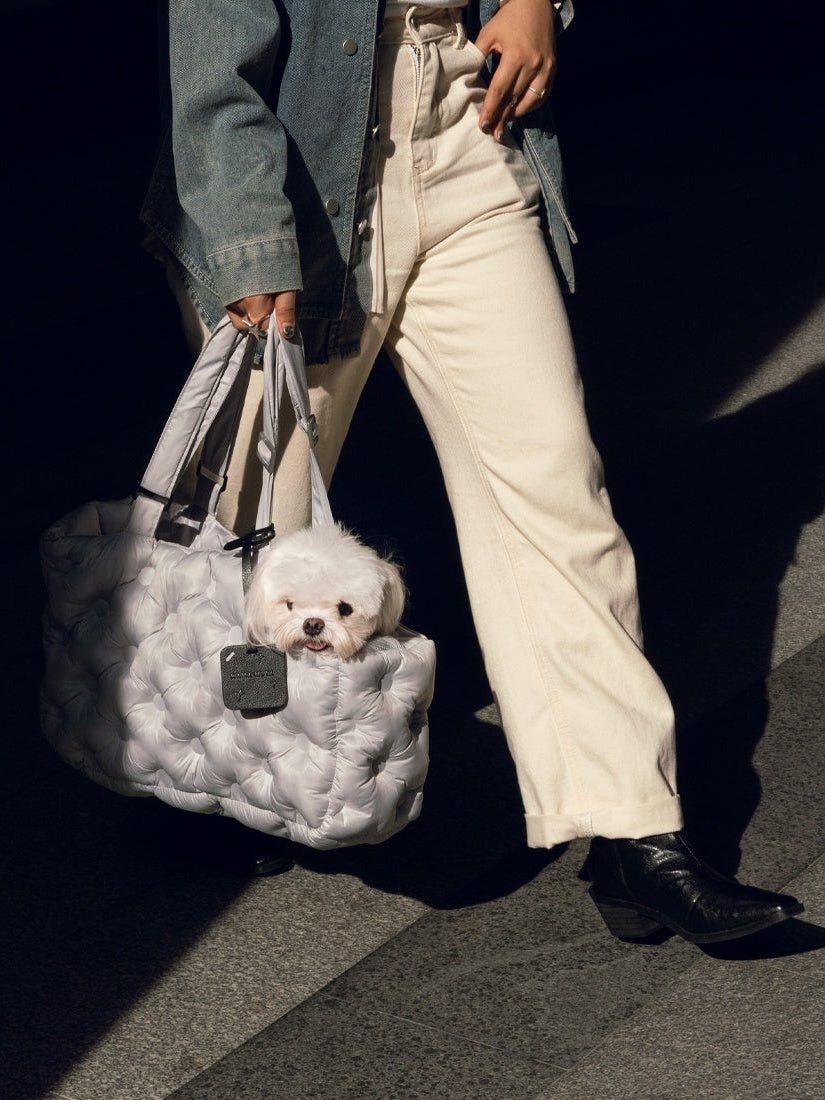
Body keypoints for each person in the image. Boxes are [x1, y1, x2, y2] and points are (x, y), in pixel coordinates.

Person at [141, 0, 802, 943]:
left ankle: (629, 828)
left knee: (556, 496)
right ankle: (220, 776)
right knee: (257, 530)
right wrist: (246, 233)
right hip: (300, 181)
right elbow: (212, 60)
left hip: (467, 151)